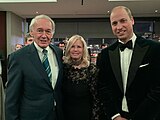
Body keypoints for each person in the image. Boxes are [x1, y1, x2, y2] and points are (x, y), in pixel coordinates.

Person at [98, 6, 160, 120]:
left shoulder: (154, 49)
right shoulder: (105, 54)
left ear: (132, 20)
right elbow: (103, 88)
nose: (119, 27)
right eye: (114, 23)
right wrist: (115, 115)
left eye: (123, 21)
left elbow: (158, 88)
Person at [5, 14, 64, 120]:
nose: (44, 35)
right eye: (40, 30)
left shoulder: (59, 53)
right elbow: (12, 97)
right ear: (31, 32)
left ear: (52, 33)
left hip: (56, 115)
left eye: (48, 31)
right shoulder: (18, 57)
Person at [62, 35, 104, 120]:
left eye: (79, 47)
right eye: (72, 46)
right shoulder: (63, 68)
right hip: (64, 115)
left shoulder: (92, 70)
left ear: (83, 50)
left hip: (85, 115)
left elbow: (96, 99)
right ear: (68, 49)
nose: (75, 50)